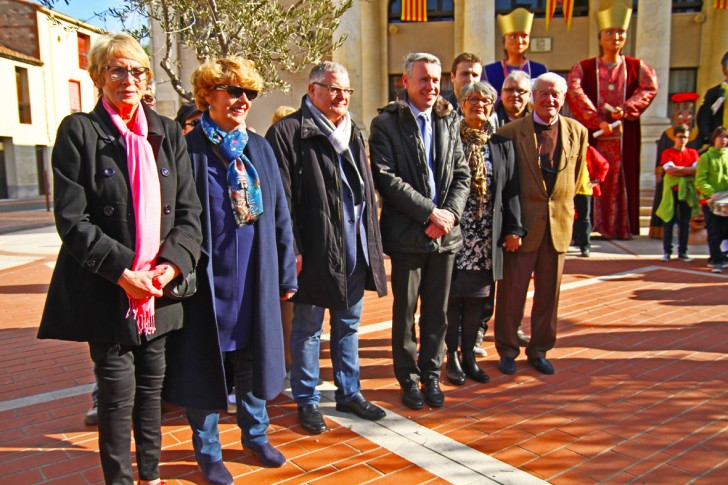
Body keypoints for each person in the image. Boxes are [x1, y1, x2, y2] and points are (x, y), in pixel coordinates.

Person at [37, 33, 203, 485]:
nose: (128, 79)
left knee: (152, 391)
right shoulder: (79, 132)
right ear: (98, 77)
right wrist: (124, 273)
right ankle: (120, 480)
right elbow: (74, 220)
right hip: (110, 291)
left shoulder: (167, 132)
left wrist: (170, 266)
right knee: (116, 395)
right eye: (117, 70)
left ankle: (151, 475)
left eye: (137, 70)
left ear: (147, 78)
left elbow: (189, 213)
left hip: (159, 292)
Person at [162, 58, 298, 482]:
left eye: (250, 93)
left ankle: (255, 435)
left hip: (254, 276)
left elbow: (279, 214)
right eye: (233, 90)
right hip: (205, 280)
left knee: (252, 358)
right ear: (208, 95)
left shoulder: (259, 148)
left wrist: (285, 273)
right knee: (204, 362)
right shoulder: (188, 148)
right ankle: (207, 450)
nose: (243, 100)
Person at [266, 61, 388, 435]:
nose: (342, 97)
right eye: (334, 89)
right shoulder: (287, 133)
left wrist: (372, 242)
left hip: (353, 247)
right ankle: (306, 399)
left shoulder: (354, 133)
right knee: (307, 328)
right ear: (312, 89)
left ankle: (349, 391)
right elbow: (280, 200)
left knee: (348, 324)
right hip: (313, 251)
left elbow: (367, 192)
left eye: (347, 91)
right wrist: (294, 250)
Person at [369, 52, 470, 409]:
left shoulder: (449, 118)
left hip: (445, 236)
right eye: (423, 79)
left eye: (435, 79)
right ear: (406, 83)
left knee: (437, 312)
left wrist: (449, 216)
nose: (431, 86)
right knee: (406, 310)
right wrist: (430, 213)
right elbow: (386, 178)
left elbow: (462, 174)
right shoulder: (386, 123)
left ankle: (431, 373)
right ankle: (408, 378)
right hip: (407, 235)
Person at [495, 73, 588, 376]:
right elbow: (505, 185)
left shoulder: (578, 132)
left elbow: (574, 180)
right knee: (512, 293)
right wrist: (511, 226)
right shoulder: (510, 132)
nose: (550, 99)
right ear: (533, 96)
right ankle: (507, 349)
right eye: (544, 93)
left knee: (550, 293)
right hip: (521, 228)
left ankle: (540, 349)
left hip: (557, 227)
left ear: (564, 98)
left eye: (555, 94)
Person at [444, 81, 525, 386]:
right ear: (461, 105)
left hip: (485, 236)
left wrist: (515, 228)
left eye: (486, 101)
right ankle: (451, 357)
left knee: (477, 300)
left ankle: (469, 357)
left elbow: (512, 190)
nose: (479, 104)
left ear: (493, 107)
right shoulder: (449, 139)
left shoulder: (502, 145)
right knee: (452, 299)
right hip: (453, 233)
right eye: (472, 99)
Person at [566, 3, 658, 239]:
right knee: (590, 177)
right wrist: (596, 120)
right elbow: (574, 90)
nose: (615, 37)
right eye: (609, 32)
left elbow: (649, 89)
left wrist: (626, 109)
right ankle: (588, 228)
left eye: (620, 32)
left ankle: (619, 227)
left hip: (623, 135)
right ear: (600, 37)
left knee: (621, 179)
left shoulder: (638, 67)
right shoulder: (584, 67)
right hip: (595, 136)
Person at [649, 92, 702, 239]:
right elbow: (665, 163)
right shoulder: (667, 135)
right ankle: (662, 238)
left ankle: (687, 241)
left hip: (690, 183)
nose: (685, 118)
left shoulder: (697, 135)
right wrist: (661, 172)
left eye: (688, 115)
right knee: (667, 212)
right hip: (670, 183)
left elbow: (696, 164)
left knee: (686, 216)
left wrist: (683, 171)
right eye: (680, 115)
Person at [655, 124, 700, 262]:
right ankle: (667, 251)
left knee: (684, 223)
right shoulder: (667, 152)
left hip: (686, 191)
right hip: (671, 191)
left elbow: (695, 170)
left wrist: (679, 170)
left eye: (685, 137)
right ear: (675, 137)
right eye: (680, 137)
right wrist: (685, 170)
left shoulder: (692, 153)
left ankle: (683, 252)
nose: (683, 140)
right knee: (668, 220)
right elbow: (670, 170)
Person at [482, 8, 547, 95]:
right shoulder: (489, 71)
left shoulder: (539, 70)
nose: (519, 41)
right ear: (504, 42)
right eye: (513, 36)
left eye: (524, 36)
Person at [695, 126, 728, 273]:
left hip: (726, 200)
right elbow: (700, 180)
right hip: (711, 201)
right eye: (720, 137)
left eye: (726, 137)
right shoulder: (705, 157)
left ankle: (719, 255)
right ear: (714, 138)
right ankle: (716, 260)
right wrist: (712, 194)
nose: (723, 140)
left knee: (725, 231)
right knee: (714, 231)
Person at [573, 146, 610, 257]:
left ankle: (585, 246)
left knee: (584, 218)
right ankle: (575, 239)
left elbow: (604, 165)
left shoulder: (588, 149)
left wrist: (597, 180)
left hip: (583, 188)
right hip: (566, 188)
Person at [696, 52, 728, 150]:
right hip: (720, 144)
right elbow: (703, 118)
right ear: (725, 69)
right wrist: (711, 138)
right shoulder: (713, 93)